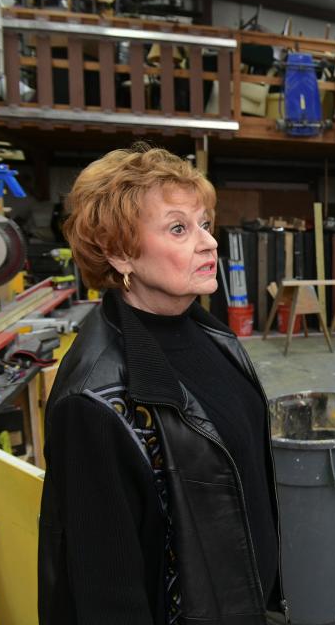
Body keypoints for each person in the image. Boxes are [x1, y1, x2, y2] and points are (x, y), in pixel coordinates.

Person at [38, 145, 284, 625]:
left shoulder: (204, 328)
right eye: (178, 228)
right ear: (118, 251)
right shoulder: (93, 401)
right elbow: (108, 599)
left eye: (204, 223)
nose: (209, 242)